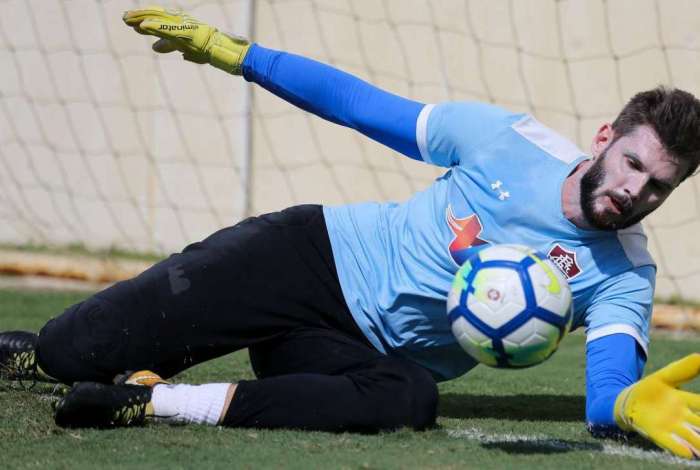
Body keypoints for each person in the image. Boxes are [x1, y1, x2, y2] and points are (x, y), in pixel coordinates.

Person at [2, 5, 700, 458]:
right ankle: (47, 357)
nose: (634, 190)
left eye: (659, 185)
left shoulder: (625, 276)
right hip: (309, 258)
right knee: (69, 352)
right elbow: (362, 107)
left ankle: (152, 401)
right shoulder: (505, 139)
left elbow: (605, 400)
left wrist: (630, 403)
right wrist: (237, 55)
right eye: (632, 162)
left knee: (410, 400)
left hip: (340, 358)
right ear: (605, 138)